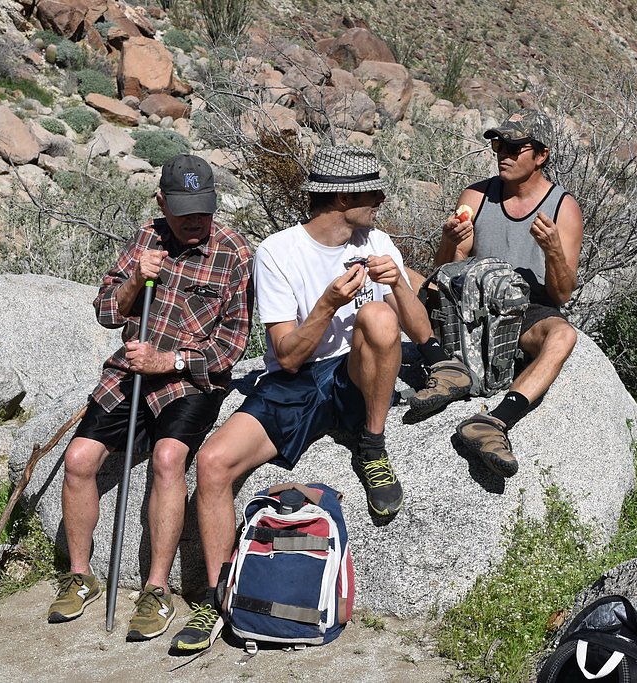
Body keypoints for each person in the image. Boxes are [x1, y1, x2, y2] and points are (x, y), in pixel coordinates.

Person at [168, 145, 452, 653]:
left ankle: (371, 443)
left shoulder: (378, 240)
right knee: (212, 464)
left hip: (355, 373)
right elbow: (287, 355)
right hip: (297, 380)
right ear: (343, 196)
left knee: (381, 317)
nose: (381, 200)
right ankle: (219, 598)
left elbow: (419, 330)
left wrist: (399, 285)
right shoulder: (278, 252)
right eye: (373, 192)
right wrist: (327, 303)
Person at [46, 155, 253, 646]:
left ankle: (155, 589)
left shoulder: (236, 253)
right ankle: (81, 576)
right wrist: (138, 278)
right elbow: (106, 313)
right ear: (162, 202)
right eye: (183, 211)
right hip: (131, 370)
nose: (195, 221)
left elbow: (232, 347)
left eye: (203, 210)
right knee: (78, 460)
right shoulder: (146, 237)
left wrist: (172, 361)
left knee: (167, 457)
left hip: (191, 379)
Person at [408, 109, 583, 478]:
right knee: (394, 273)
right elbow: (443, 273)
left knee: (563, 334)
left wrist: (552, 250)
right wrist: (449, 243)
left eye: (515, 146)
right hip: (469, 300)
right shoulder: (476, 195)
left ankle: (496, 421)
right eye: (498, 143)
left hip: (526, 309)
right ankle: (444, 366)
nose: (503, 152)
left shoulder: (563, 208)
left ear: (541, 155)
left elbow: (562, 294)